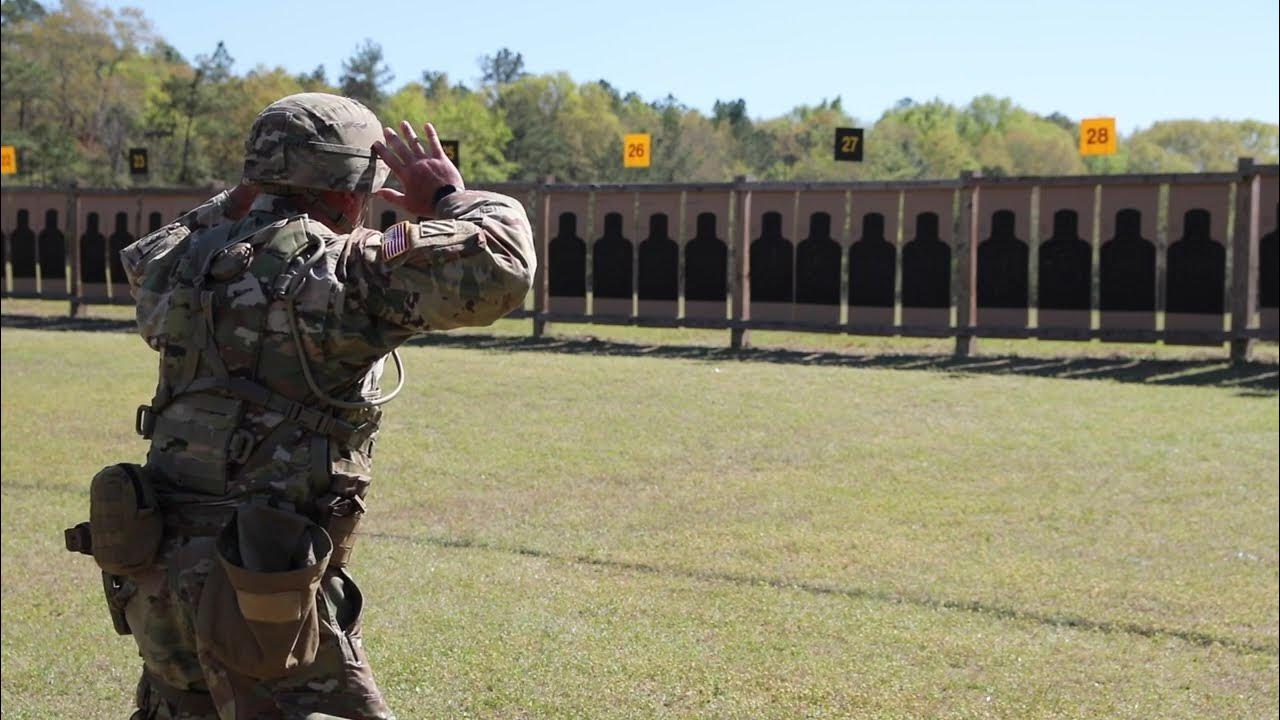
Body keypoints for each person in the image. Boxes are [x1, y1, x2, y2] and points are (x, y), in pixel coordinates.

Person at [81, 92, 535, 719]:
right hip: (265, 579)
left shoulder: (183, 262)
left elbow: (145, 254)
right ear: (352, 191)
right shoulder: (339, 272)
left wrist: (242, 197)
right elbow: (502, 267)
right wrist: (447, 197)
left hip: (156, 571)